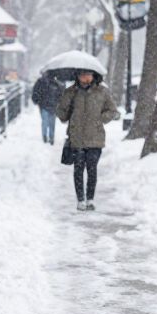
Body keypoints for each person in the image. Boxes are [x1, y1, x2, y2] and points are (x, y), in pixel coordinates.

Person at [56, 69, 120, 211]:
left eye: (87, 75)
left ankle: (90, 199)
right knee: (78, 170)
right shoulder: (71, 92)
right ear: (77, 76)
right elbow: (62, 116)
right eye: (81, 75)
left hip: (95, 138)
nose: (84, 78)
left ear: (93, 76)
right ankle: (80, 200)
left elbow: (113, 110)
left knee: (92, 170)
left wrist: (100, 119)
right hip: (76, 137)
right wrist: (66, 99)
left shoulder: (102, 91)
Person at [31, 73, 64, 144]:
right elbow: (60, 95)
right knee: (51, 123)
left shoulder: (41, 82)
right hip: (52, 105)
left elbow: (36, 92)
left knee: (45, 122)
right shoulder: (56, 83)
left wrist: (37, 100)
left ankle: (45, 136)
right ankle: (50, 137)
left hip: (45, 105)